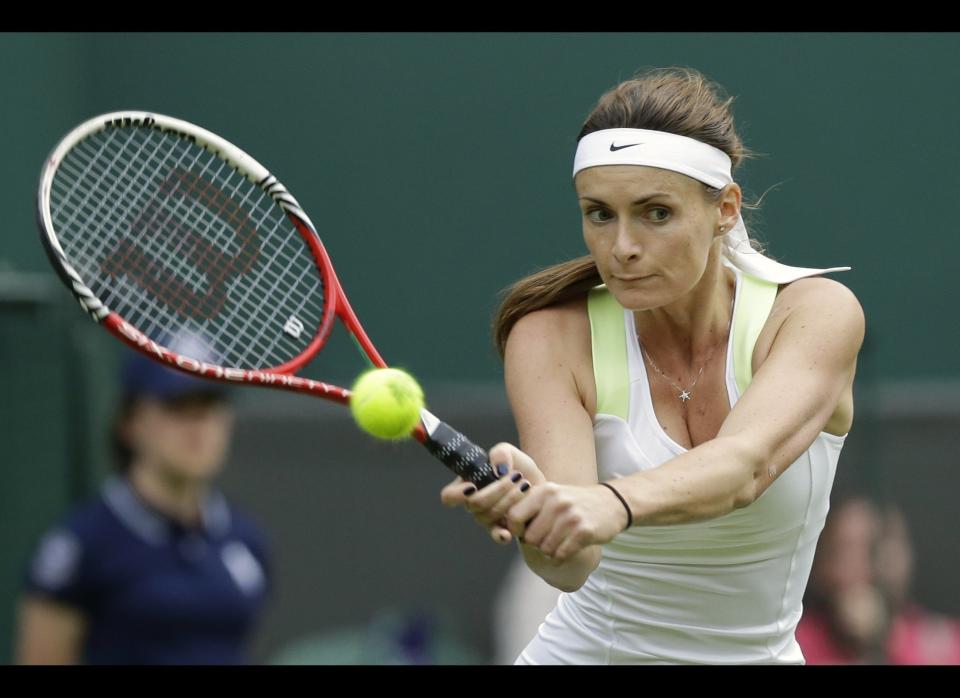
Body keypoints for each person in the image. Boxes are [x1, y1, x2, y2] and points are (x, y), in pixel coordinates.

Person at [441, 67, 864, 664]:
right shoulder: (548, 337)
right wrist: (536, 516)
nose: (622, 247)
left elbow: (745, 467)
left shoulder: (813, 314)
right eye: (599, 214)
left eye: (655, 213)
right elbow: (570, 568)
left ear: (724, 209)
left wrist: (607, 503)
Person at [15, 341, 272, 665]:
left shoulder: (246, 540)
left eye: (209, 407)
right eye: (178, 407)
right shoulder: (82, 545)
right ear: (130, 422)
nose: (198, 428)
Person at [796, 494, 960, 664]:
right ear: (820, 565)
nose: (861, 567)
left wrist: (883, 640)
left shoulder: (933, 641)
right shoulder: (795, 645)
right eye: (845, 552)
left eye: (871, 548)